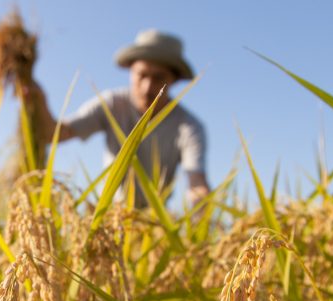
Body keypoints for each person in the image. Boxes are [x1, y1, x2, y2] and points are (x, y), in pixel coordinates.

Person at [25, 29, 210, 207]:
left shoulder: (188, 127)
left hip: (155, 220)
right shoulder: (112, 104)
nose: (147, 87)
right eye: (142, 75)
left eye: (158, 78)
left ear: (174, 80)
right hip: (112, 211)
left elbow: (196, 181)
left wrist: (201, 214)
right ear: (131, 72)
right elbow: (56, 134)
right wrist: (37, 101)